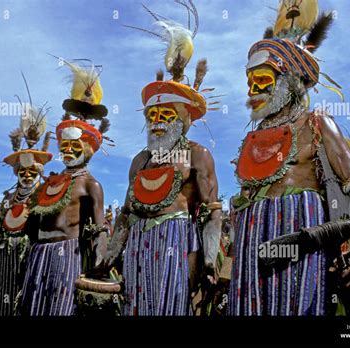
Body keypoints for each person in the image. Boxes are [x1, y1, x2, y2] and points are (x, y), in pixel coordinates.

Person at [227, 1, 350, 316]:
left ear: (289, 81)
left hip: (302, 245)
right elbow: (240, 208)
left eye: (263, 79)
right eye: (250, 81)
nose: (253, 89)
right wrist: (227, 268)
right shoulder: (251, 141)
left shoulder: (316, 123)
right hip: (250, 252)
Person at [103, 2, 222, 316]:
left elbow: (212, 213)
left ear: (182, 119)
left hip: (178, 247)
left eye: (165, 115)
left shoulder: (198, 154)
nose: (156, 121)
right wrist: (112, 253)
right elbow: (126, 215)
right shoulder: (140, 161)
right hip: (138, 248)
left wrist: (209, 260)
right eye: (151, 115)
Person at [17, 60, 110, 316]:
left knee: (61, 309)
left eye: (74, 146)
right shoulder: (50, 183)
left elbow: (100, 228)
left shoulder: (91, 185)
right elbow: (29, 224)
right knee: (32, 309)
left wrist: (100, 266)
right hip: (37, 253)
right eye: (64, 147)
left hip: (66, 253)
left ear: (89, 149)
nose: (68, 151)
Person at [0, 89, 53, 316]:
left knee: (26, 302)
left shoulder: (44, 196)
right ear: (17, 173)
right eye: (23, 172)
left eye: (31, 172)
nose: (27, 175)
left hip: (31, 257)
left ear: (38, 173)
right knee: (3, 302)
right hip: (6, 257)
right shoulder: (9, 198)